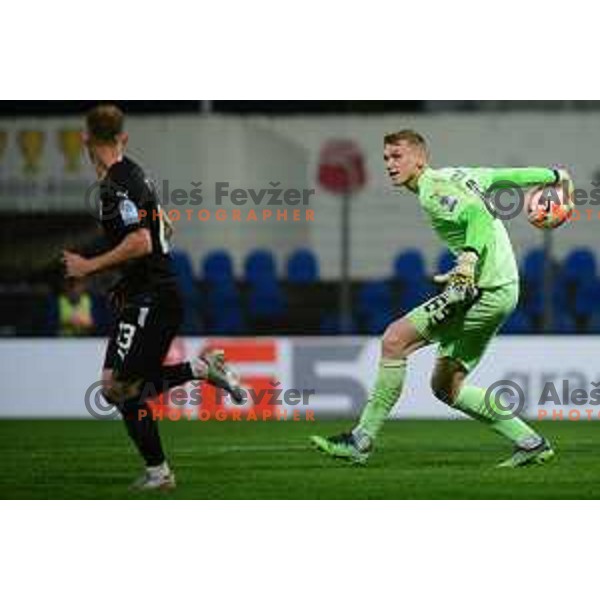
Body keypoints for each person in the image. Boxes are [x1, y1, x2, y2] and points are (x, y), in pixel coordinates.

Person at [311, 129, 573, 467]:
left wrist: (467, 261)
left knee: (394, 340)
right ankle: (531, 442)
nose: (390, 164)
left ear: (420, 158)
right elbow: (508, 177)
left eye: (398, 156)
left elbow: (476, 216)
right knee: (446, 387)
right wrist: (555, 176)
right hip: (500, 288)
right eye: (387, 158)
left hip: (482, 289)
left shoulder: (433, 191)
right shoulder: (460, 175)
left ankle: (361, 440)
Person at [63, 104, 244, 490]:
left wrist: (89, 267)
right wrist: (126, 281)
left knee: (123, 388)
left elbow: (144, 240)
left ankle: (160, 472)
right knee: (114, 386)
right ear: (122, 138)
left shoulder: (117, 184)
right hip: (141, 294)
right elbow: (166, 228)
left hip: (155, 298)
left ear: (85, 140)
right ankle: (198, 373)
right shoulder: (131, 176)